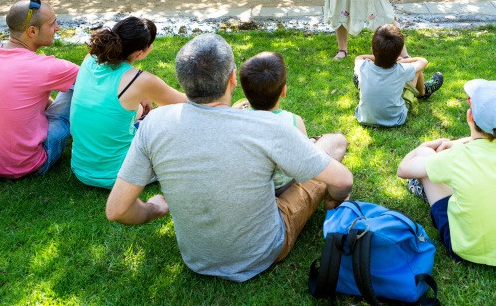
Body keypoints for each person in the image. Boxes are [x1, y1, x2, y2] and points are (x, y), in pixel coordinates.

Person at [105, 34, 353, 282]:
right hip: (264, 251)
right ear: (233, 78)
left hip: (196, 258)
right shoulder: (268, 125)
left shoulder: (155, 123)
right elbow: (343, 181)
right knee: (334, 143)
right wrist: (331, 199)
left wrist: (153, 209)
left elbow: (117, 210)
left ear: (182, 82)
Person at [397, 79, 496, 267]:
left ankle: (421, 185)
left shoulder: (456, 157)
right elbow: (493, 137)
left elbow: (403, 170)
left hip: (467, 249)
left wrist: (423, 146)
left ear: (470, 116)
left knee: (425, 157)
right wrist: (455, 142)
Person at [69, 16, 187, 189]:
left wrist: (142, 94)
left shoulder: (91, 58)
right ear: (140, 53)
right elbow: (184, 102)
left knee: (140, 116)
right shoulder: (139, 80)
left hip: (82, 169)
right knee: (173, 124)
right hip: (121, 176)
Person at [0, 0, 79, 177]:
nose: (57, 28)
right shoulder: (45, 67)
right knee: (75, 92)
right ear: (32, 31)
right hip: (25, 165)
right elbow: (96, 79)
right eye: (52, 24)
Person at [237, 51, 308, 195]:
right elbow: (305, 164)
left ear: (244, 92)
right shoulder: (294, 121)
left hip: (249, 188)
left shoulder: (235, 118)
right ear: (283, 91)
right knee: (335, 142)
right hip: (282, 188)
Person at [353, 24, 443, 127]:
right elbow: (423, 61)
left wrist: (379, 56)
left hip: (364, 118)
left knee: (357, 76)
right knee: (416, 70)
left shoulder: (363, 66)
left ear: (372, 50)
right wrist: (403, 60)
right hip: (396, 119)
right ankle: (423, 92)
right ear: (399, 52)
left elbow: (360, 57)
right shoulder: (402, 69)